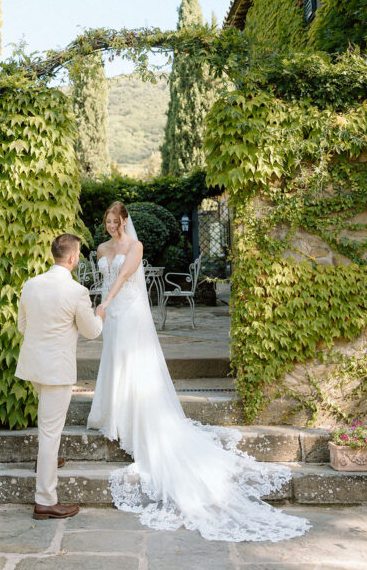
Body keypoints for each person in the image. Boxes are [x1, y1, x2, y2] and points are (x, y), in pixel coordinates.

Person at [87, 201, 310, 543]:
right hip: (110, 314)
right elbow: (102, 279)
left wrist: (104, 304)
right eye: (108, 221)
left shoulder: (135, 246)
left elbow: (121, 278)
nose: (111, 226)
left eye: (116, 221)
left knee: (132, 362)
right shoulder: (102, 247)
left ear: (126, 221)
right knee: (113, 361)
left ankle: (131, 419)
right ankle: (113, 415)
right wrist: (100, 306)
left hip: (128, 311)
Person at [16, 232, 104, 520]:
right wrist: (100, 313)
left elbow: (22, 326)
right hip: (57, 371)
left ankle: (49, 461)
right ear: (73, 258)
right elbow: (91, 331)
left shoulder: (30, 284)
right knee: (50, 432)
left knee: (48, 426)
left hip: (34, 367)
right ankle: (45, 500)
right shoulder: (77, 291)